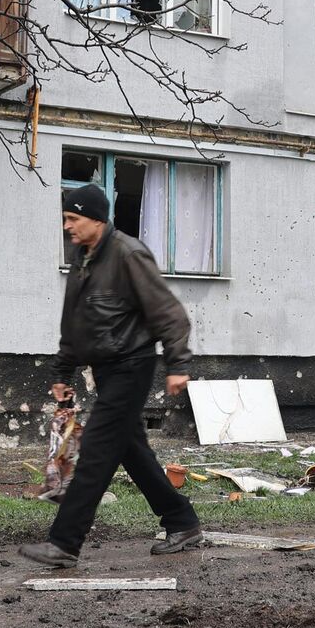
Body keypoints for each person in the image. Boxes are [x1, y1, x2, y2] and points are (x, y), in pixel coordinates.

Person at [17, 184, 206, 568]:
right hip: (105, 369)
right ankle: (182, 521)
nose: (67, 226)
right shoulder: (82, 257)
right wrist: (62, 370)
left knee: (98, 453)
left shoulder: (127, 254)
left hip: (132, 365)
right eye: (65, 219)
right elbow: (74, 320)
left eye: (73, 219)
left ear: (97, 219)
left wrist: (178, 365)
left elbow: (169, 313)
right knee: (130, 450)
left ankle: (64, 542)